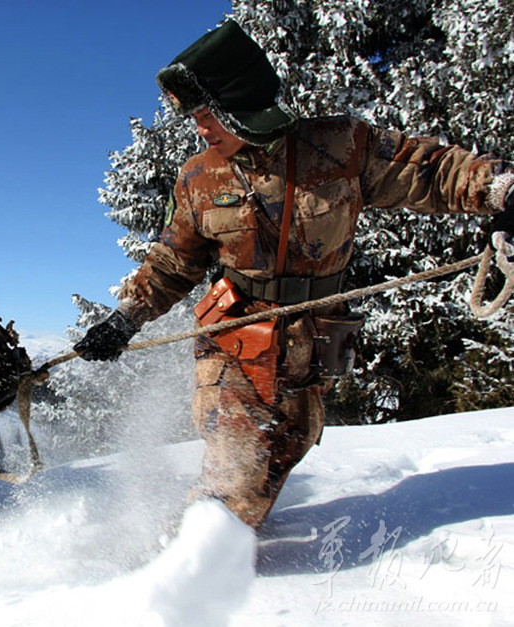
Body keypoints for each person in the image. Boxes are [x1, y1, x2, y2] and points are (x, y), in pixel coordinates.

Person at [73, 20, 514, 529]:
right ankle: (191, 569)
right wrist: (124, 319)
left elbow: (431, 171)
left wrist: (503, 191)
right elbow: (174, 263)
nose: (199, 127)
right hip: (234, 335)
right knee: (237, 465)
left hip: (315, 337)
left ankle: (218, 539)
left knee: (283, 451)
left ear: (237, 103)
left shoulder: (343, 145)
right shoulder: (199, 176)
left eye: (205, 112)